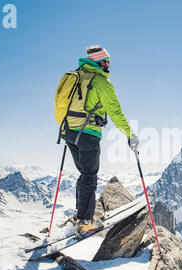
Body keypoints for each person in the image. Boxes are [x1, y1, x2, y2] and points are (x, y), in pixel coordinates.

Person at [63, 45, 139, 234]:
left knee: (84, 175)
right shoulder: (100, 82)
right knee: (89, 176)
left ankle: (82, 216)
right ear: (99, 62)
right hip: (88, 133)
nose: (108, 66)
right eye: (106, 62)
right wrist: (130, 134)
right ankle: (85, 222)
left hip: (69, 132)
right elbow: (115, 112)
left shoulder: (77, 77)